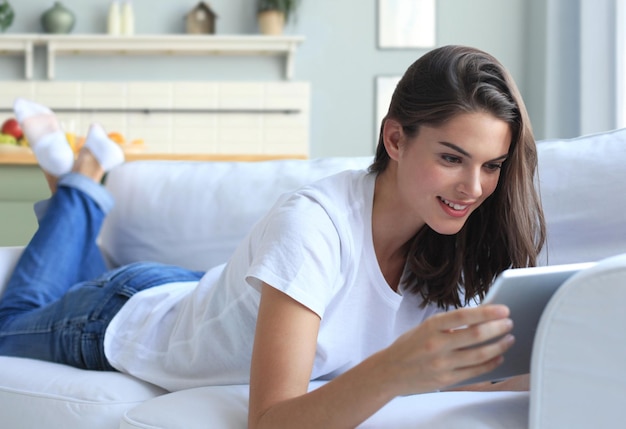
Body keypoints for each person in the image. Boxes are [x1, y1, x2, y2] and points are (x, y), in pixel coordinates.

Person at [0, 45, 545, 428]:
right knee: (9, 323)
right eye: (452, 158)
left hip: (209, 295)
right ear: (396, 139)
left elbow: (475, 381)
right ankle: (81, 182)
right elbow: (270, 423)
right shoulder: (314, 223)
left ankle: (71, 182)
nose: (474, 188)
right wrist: (397, 368)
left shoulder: (448, 236)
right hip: (122, 314)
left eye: (492, 165)